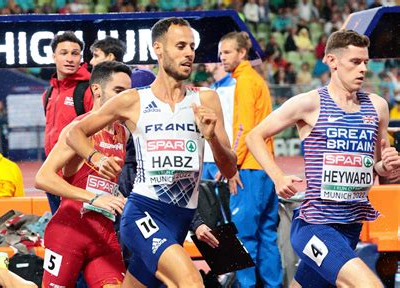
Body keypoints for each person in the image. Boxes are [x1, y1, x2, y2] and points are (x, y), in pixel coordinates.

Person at [67, 17, 237, 287]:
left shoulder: (206, 99)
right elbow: (73, 133)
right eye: (180, 46)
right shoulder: (133, 100)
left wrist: (212, 136)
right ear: (158, 49)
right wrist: (96, 157)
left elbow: (229, 169)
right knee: (191, 281)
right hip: (143, 213)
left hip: (180, 220)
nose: (189, 53)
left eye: (191, 46)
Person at [246, 29, 400, 287]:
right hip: (314, 225)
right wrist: (277, 176)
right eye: (355, 62)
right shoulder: (309, 103)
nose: (362, 69)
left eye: (365, 62)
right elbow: (254, 136)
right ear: (332, 61)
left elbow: (376, 167)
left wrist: (388, 165)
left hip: (351, 225)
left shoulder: (377, 107)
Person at [0, 61, 132, 288]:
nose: (125, 98)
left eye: (129, 92)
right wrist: (93, 198)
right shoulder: (77, 130)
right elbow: (42, 178)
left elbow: (105, 183)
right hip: (70, 233)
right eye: (119, 91)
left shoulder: (123, 133)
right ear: (97, 90)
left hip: (103, 235)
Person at [219, 31, 282, 287]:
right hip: (266, 167)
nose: (221, 58)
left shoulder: (244, 82)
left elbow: (243, 128)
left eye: (227, 52)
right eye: (221, 53)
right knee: (267, 234)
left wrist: (231, 165)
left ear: (242, 53)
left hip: (249, 169)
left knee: (243, 235)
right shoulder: (255, 80)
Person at [43, 31, 93, 214]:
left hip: (77, 180)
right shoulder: (49, 93)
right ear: (53, 56)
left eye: (75, 53)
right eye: (64, 53)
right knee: (59, 235)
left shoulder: (87, 91)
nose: (70, 58)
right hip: (52, 178)